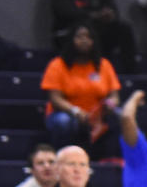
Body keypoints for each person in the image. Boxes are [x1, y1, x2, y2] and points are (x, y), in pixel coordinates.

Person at [41, 23, 121, 151]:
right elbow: (55, 99)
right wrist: (76, 112)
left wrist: (110, 104)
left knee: (123, 117)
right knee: (63, 122)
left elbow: (114, 95)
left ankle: (113, 162)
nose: (84, 40)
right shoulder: (57, 65)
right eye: (79, 37)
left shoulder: (104, 65)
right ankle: (64, 158)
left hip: (98, 116)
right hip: (68, 114)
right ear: (71, 40)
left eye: (88, 37)